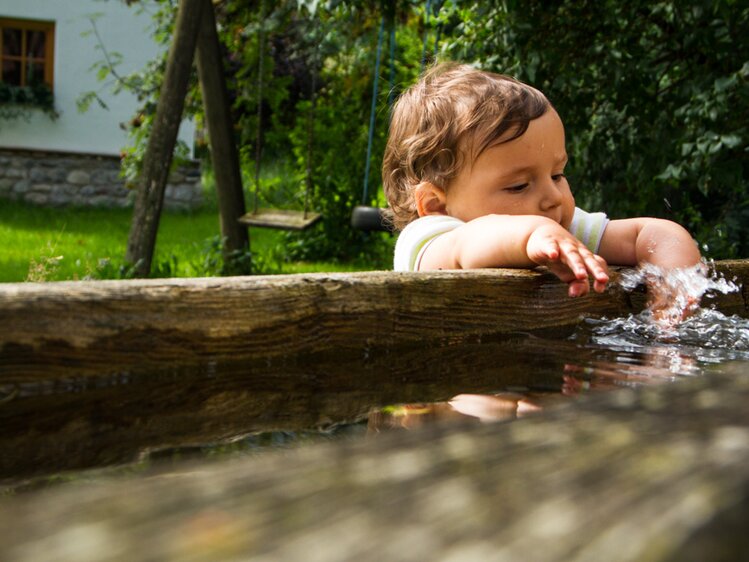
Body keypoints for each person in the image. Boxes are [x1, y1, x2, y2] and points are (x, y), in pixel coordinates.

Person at [383, 62, 702, 307]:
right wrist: (534, 234)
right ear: (436, 204)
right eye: (519, 186)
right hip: (451, 383)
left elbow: (650, 235)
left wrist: (674, 288)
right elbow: (467, 246)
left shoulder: (555, 230)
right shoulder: (426, 240)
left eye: (557, 175)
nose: (552, 197)